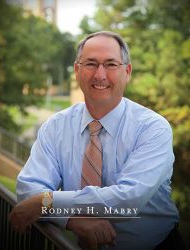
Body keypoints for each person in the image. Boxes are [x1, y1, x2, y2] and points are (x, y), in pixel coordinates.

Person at [10, 31, 183, 250]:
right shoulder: (56, 127)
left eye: (111, 64)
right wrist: (72, 220)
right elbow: (29, 190)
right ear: (76, 70)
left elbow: (127, 200)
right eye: (91, 63)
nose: (100, 75)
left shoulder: (152, 128)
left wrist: (48, 202)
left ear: (127, 71)